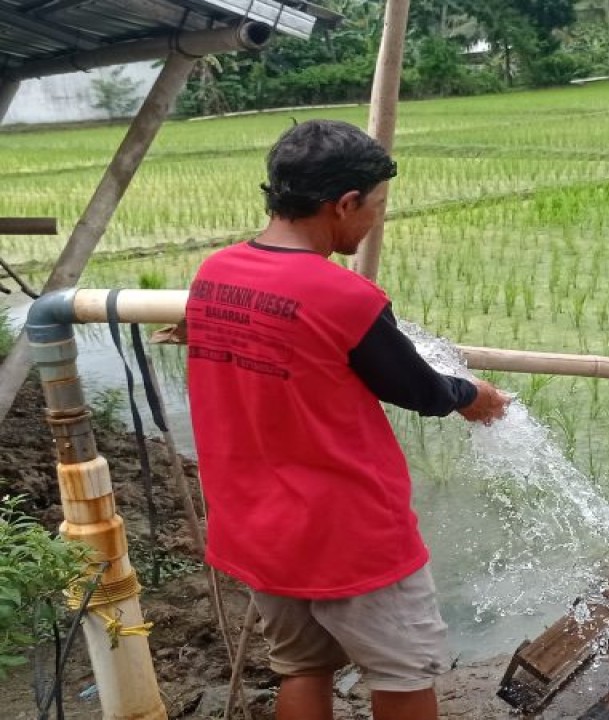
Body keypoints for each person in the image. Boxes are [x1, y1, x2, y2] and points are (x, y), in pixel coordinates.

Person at [185, 119, 508, 720]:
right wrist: (476, 395)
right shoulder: (342, 295)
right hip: (348, 537)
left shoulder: (214, 275)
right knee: (404, 673)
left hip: (255, 527)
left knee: (302, 666)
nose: (378, 220)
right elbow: (420, 389)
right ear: (345, 203)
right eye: (378, 207)